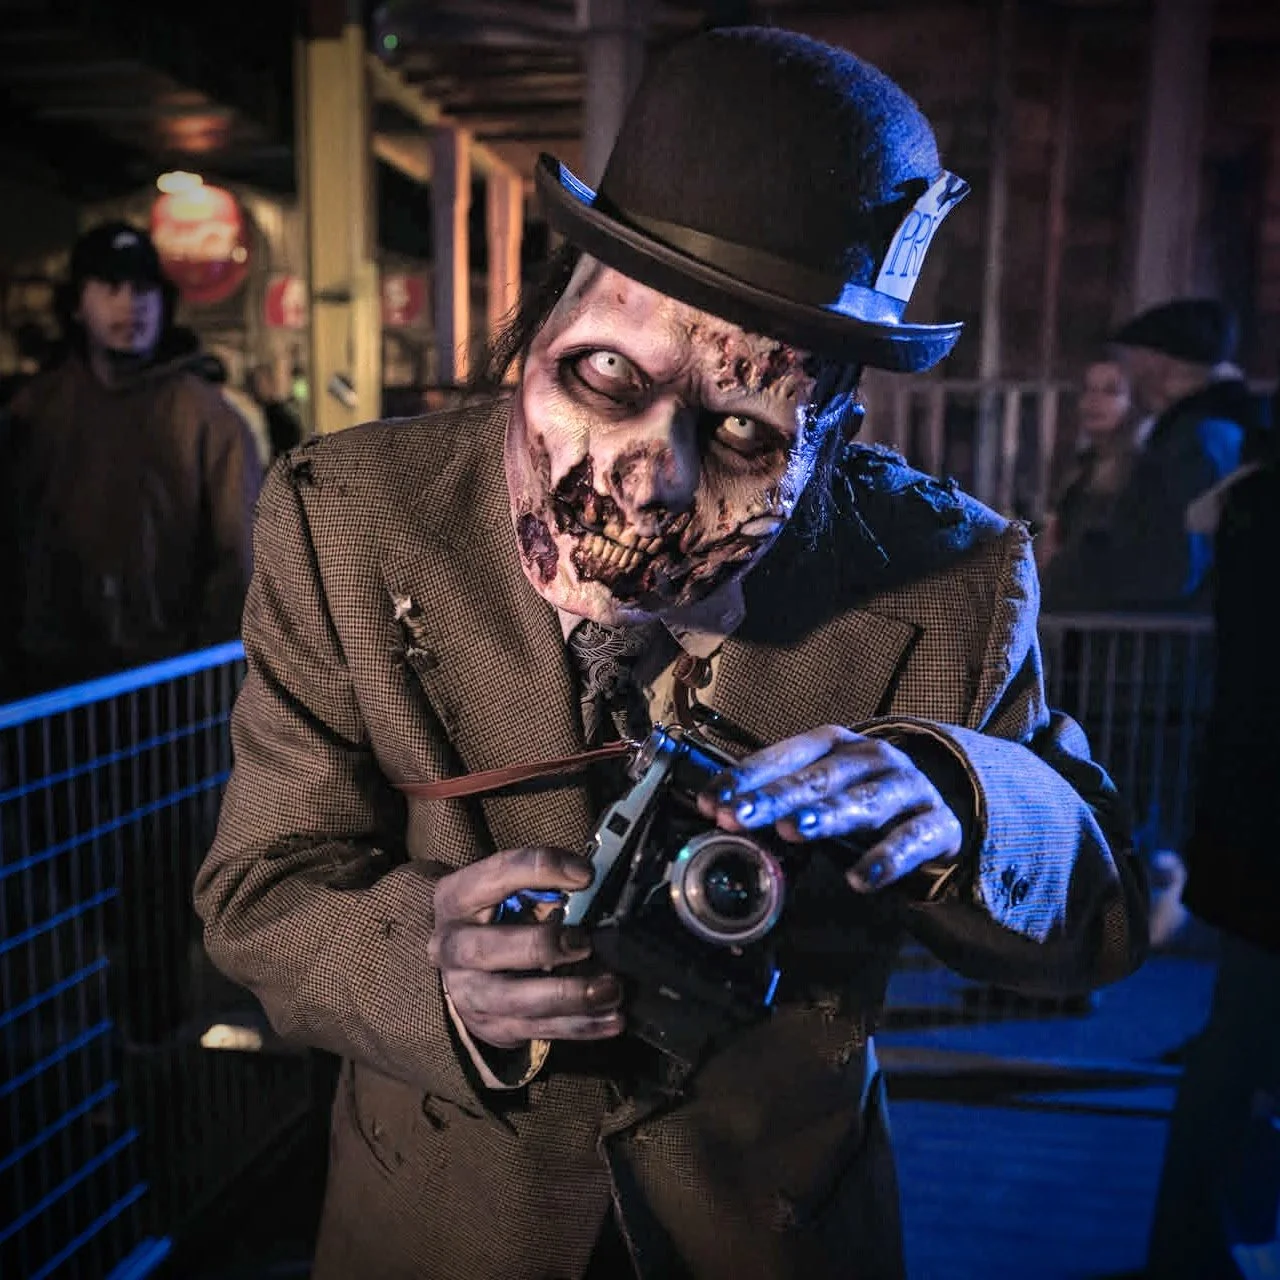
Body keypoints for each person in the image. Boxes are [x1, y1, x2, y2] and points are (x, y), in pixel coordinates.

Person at [194, 28, 1147, 1280]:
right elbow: (259, 892)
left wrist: (965, 805)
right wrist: (433, 971)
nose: (650, 478)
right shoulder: (350, 518)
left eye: (745, 428)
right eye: (603, 372)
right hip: (438, 1223)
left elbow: (1100, 917)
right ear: (538, 322)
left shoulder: (952, 579)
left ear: (834, 433)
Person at [0, 221, 263, 699]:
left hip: (166, 683)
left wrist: (208, 676)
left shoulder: (208, 417)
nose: (130, 304)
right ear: (78, 304)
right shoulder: (34, 411)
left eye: (144, 289)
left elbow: (238, 560)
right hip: (50, 682)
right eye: (111, 287)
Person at [1146, 410, 1280, 1278]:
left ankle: (1203, 1231)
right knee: (1241, 1044)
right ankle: (1200, 1236)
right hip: (1266, 824)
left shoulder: (1251, 509)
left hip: (1254, 822)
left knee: (1242, 1035)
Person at [1041, 299, 1246, 616]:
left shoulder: (1192, 444)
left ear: (1157, 364)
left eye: (1133, 362)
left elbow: (1166, 566)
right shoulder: (1205, 435)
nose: (1130, 374)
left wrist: (1070, 574)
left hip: (1162, 646)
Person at [1037, 355, 1143, 574]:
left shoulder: (1141, 471)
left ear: (1133, 403)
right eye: (1088, 389)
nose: (1095, 400)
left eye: (1110, 391)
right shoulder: (1079, 468)